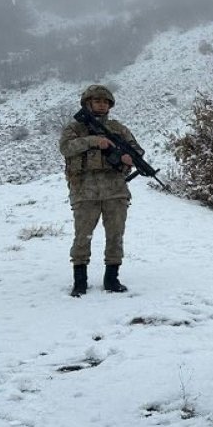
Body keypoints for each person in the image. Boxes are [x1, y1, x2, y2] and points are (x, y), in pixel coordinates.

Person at [59, 84, 140, 297]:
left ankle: (112, 279)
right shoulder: (75, 128)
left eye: (105, 102)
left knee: (115, 235)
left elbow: (137, 149)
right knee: (82, 236)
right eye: (97, 101)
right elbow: (66, 148)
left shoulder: (118, 128)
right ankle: (80, 280)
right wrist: (94, 141)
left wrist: (128, 158)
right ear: (87, 103)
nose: (101, 105)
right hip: (84, 190)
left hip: (115, 189)